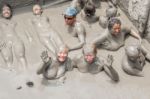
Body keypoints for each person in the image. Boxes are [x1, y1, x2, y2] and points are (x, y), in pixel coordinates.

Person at [0, 3, 27, 71]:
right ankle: (11, 72)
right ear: (1, 12)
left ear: (11, 12)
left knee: (21, 55)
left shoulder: (14, 21)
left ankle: (26, 72)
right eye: (4, 10)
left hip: (16, 39)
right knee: (7, 58)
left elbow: (23, 29)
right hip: (5, 40)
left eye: (8, 9)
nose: (6, 11)